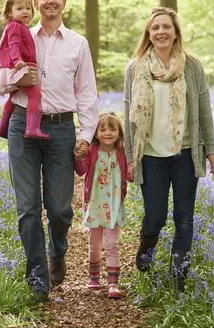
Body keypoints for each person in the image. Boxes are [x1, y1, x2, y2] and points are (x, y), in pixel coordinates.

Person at [0, 0, 98, 302]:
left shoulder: (78, 43)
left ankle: (58, 250)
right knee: (27, 209)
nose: (50, 1)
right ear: (36, 4)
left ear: (64, 2)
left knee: (61, 209)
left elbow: (88, 94)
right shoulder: (18, 33)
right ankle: (37, 279)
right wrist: (16, 78)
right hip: (22, 127)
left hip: (63, 130)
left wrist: (86, 136)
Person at [123, 6, 214, 292]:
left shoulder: (192, 66)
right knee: (154, 217)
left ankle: (179, 277)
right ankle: (146, 251)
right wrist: (131, 158)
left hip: (186, 153)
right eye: (155, 28)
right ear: (149, 34)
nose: (161, 32)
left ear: (176, 32)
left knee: (184, 217)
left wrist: (211, 149)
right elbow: (128, 114)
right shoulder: (135, 68)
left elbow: (204, 109)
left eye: (166, 27)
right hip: (151, 155)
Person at [73, 111, 133, 299]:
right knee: (95, 244)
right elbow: (82, 170)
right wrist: (78, 156)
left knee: (113, 243)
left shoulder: (122, 154)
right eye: (103, 129)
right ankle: (94, 276)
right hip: (95, 204)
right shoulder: (92, 151)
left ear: (119, 133)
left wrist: (133, 168)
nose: (108, 133)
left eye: (112, 129)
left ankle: (113, 283)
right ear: (96, 134)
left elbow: (130, 177)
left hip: (114, 206)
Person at [0, 0, 50, 140]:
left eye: (28, 8)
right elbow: (13, 45)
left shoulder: (20, 26)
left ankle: (2, 127)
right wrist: (17, 60)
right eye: (19, 9)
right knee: (35, 94)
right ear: (9, 13)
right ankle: (32, 128)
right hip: (14, 65)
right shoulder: (15, 27)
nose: (25, 12)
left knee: (13, 95)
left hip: (16, 64)